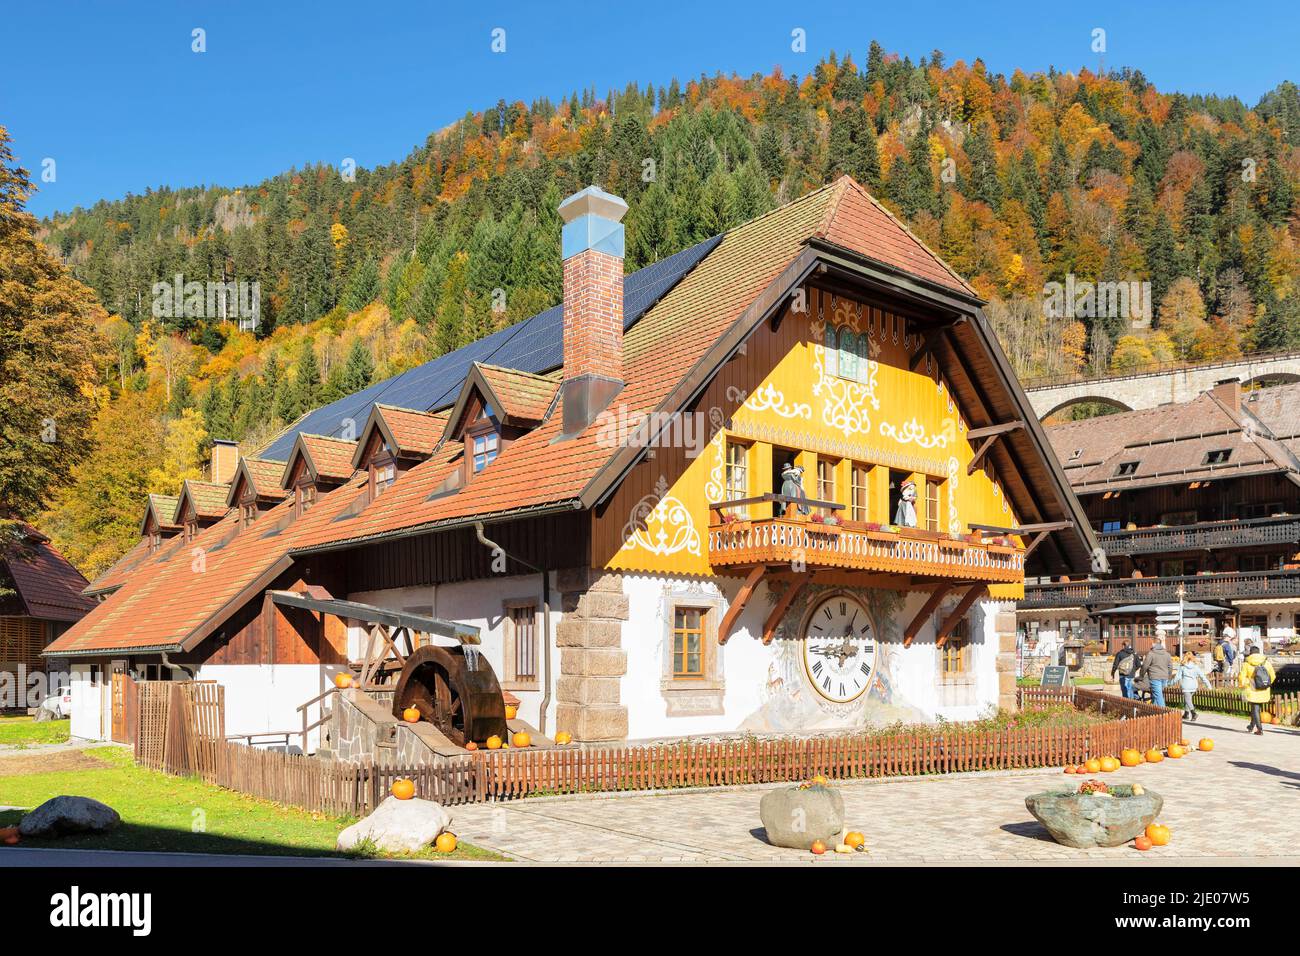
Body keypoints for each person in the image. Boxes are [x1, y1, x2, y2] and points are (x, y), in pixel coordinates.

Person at [1239, 646, 1278, 735]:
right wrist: (1265, 684)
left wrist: (1247, 683)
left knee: (1255, 709)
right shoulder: (1266, 663)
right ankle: (1251, 726)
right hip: (1264, 689)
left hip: (1252, 689)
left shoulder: (1247, 663)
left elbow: (1242, 678)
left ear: (1250, 653)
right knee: (1256, 708)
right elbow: (1273, 676)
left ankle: (1259, 729)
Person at [1176, 651, 1213, 722]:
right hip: (1194, 686)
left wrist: (1170, 683)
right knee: (1188, 699)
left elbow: (1177, 677)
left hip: (1186, 685)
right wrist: (1209, 686)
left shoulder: (1182, 666)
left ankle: (1194, 713)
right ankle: (1186, 714)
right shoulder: (1196, 667)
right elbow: (1203, 677)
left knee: (1188, 700)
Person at [1140, 637, 1174, 709]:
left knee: (1158, 696)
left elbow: (1145, 666)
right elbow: (1170, 667)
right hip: (1164, 677)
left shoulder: (1151, 654)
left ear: (1153, 644)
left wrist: (1141, 676)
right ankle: (1154, 712)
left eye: (1151, 643)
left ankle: (1164, 713)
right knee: (1156, 695)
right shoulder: (1167, 654)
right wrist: (1169, 678)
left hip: (1155, 677)